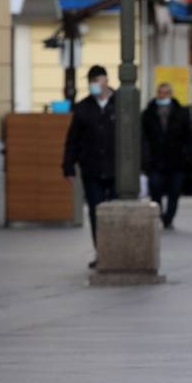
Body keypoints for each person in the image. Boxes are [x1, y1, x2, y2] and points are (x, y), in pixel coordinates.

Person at [62, 65, 118, 260]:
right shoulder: (83, 107)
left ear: (106, 81)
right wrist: (68, 166)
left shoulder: (121, 103)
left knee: (117, 212)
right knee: (96, 212)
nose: (94, 84)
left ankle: (116, 251)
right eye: (91, 81)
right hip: (92, 168)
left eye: (98, 80)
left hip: (116, 169)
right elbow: (73, 139)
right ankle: (102, 252)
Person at [141, 81, 192, 230]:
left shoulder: (181, 112)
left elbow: (188, 135)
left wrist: (187, 155)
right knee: (155, 187)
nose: (162, 96)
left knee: (175, 190)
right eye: (160, 93)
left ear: (171, 94)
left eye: (166, 93)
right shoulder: (148, 113)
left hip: (176, 159)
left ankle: (169, 217)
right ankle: (159, 213)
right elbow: (144, 137)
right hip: (155, 159)